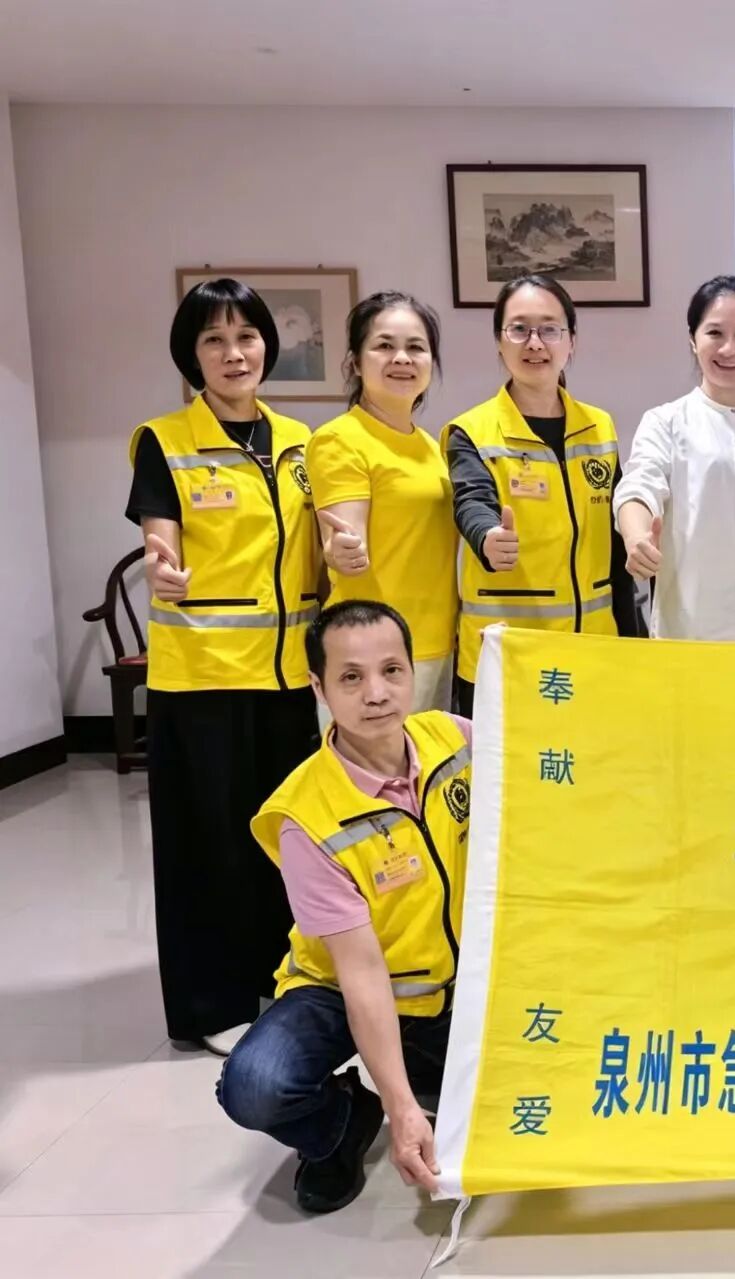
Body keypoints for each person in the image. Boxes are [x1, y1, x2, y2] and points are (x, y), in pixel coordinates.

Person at [217, 600, 468, 1214]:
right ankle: (342, 1124)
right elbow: (360, 972)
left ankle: (423, 1070)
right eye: (351, 677)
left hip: (451, 987)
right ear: (319, 688)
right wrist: (399, 1110)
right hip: (337, 988)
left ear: (412, 671)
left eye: (392, 670)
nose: (376, 694)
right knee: (256, 1087)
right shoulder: (305, 817)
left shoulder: (454, 739)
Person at [125, 279, 322, 1055]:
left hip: (286, 680)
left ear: (267, 344)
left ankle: (278, 981)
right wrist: (160, 566)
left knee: (282, 840)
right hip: (202, 679)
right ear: (192, 355)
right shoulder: (165, 440)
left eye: (246, 336)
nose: (234, 353)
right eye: (214, 339)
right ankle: (211, 1003)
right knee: (208, 845)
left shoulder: (301, 443)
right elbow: (159, 538)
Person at [442, 274, 639, 714]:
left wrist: (632, 639)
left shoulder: (599, 427)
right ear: (499, 341)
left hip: (593, 649)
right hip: (507, 655)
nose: (535, 343)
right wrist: (487, 537)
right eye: (519, 329)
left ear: (572, 342)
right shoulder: (471, 431)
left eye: (550, 329)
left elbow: (613, 543)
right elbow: (471, 500)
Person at [615, 276, 735, 640]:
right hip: (692, 636)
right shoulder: (666, 423)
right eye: (715, 333)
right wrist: (636, 535)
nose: (728, 349)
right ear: (693, 338)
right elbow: (639, 487)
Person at [307, 292, 458, 713]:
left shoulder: (432, 446)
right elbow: (344, 537)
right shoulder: (339, 439)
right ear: (355, 362)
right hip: (368, 652)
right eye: (384, 345)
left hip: (434, 641)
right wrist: (342, 550)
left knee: (427, 757)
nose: (402, 358)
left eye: (416, 347)